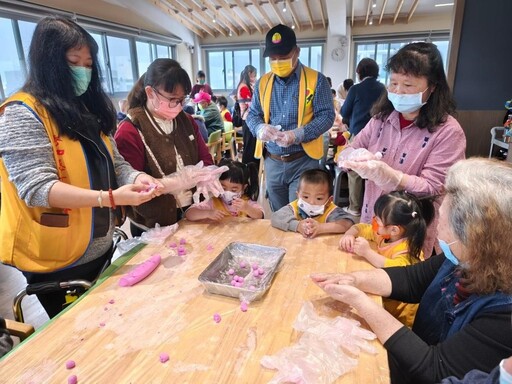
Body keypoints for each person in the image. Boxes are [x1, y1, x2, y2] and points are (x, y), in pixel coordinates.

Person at [0, 16, 164, 318]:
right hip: (56, 259)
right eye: (74, 62)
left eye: (88, 65)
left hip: (99, 247)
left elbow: (115, 162)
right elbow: (37, 189)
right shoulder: (22, 113)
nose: (83, 72)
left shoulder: (85, 109)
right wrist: (110, 198)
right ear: (49, 64)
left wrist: (138, 177)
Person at [312, 158, 512, 384]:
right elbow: (411, 280)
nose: (437, 234)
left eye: (443, 226)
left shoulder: (504, 317)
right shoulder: (461, 259)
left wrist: (362, 303)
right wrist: (354, 279)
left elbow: (434, 369)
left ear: (475, 239)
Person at [338, 42, 466, 256]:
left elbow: (435, 186)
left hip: (413, 232)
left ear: (432, 87)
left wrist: (392, 177)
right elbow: (351, 148)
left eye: (408, 86)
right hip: (375, 224)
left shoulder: (448, 132)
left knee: (402, 283)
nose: (398, 91)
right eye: (394, 83)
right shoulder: (381, 119)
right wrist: (352, 158)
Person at [115, 59, 218, 237]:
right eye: (172, 99)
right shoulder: (130, 130)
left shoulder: (186, 121)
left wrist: (207, 174)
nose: (178, 106)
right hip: (153, 226)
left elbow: (205, 159)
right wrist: (177, 181)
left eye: (182, 99)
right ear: (150, 92)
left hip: (192, 214)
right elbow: (134, 186)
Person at [247, 24, 335, 211]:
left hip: (303, 159)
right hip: (273, 161)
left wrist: (298, 134)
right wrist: (259, 128)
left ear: (297, 51)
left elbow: (327, 116)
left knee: (303, 212)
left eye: (284, 57)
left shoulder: (316, 80)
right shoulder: (263, 82)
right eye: (273, 58)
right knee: (279, 215)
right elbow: (253, 114)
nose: (278, 62)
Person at [339, 190, 435, 327]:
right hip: (384, 299)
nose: (373, 221)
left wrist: (367, 253)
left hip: (400, 317)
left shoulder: (406, 250)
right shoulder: (385, 235)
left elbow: (397, 271)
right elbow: (360, 228)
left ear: (395, 230)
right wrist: (349, 234)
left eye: (377, 219)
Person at [340, 58, 386, 217]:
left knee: (354, 170)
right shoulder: (383, 89)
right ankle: (374, 208)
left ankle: (354, 207)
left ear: (359, 72)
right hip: (381, 135)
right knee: (375, 169)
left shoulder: (355, 89)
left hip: (359, 133)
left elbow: (344, 112)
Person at [271, 169, 354, 238]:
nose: (311, 202)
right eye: (305, 197)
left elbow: (348, 223)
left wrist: (321, 228)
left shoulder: (330, 211)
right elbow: (276, 217)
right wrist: (298, 226)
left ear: (329, 200)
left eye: (319, 198)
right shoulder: (294, 207)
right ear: (298, 195)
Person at [185, 159, 264, 221]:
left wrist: (247, 208)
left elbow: (260, 216)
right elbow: (189, 214)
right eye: (223, 188)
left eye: (233, 190)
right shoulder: (213, 202)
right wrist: (208, 213)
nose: (228, 193)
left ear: (244, 188)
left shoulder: (246, 202)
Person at [236, 65, 258, 165]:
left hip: (249, 120)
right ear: (250, 74)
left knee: (251, 147)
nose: (255, 77)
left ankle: (252, 170)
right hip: (248, 120)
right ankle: (248, 170)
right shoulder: (244, 87)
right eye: (254, 75)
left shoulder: (246, 86)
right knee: (249, 148)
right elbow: (252, 105)